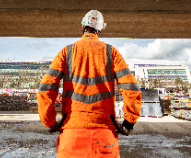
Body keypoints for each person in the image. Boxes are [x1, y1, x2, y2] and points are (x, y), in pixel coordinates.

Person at [38, 10, 142, 158]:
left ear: (82, 27)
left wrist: (50, 122)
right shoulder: (111, 52)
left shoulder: (66, 52)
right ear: (99, 30)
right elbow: (132, 88)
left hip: (71, 136)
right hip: (105, 136)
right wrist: (128, 123)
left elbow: (45, 88)